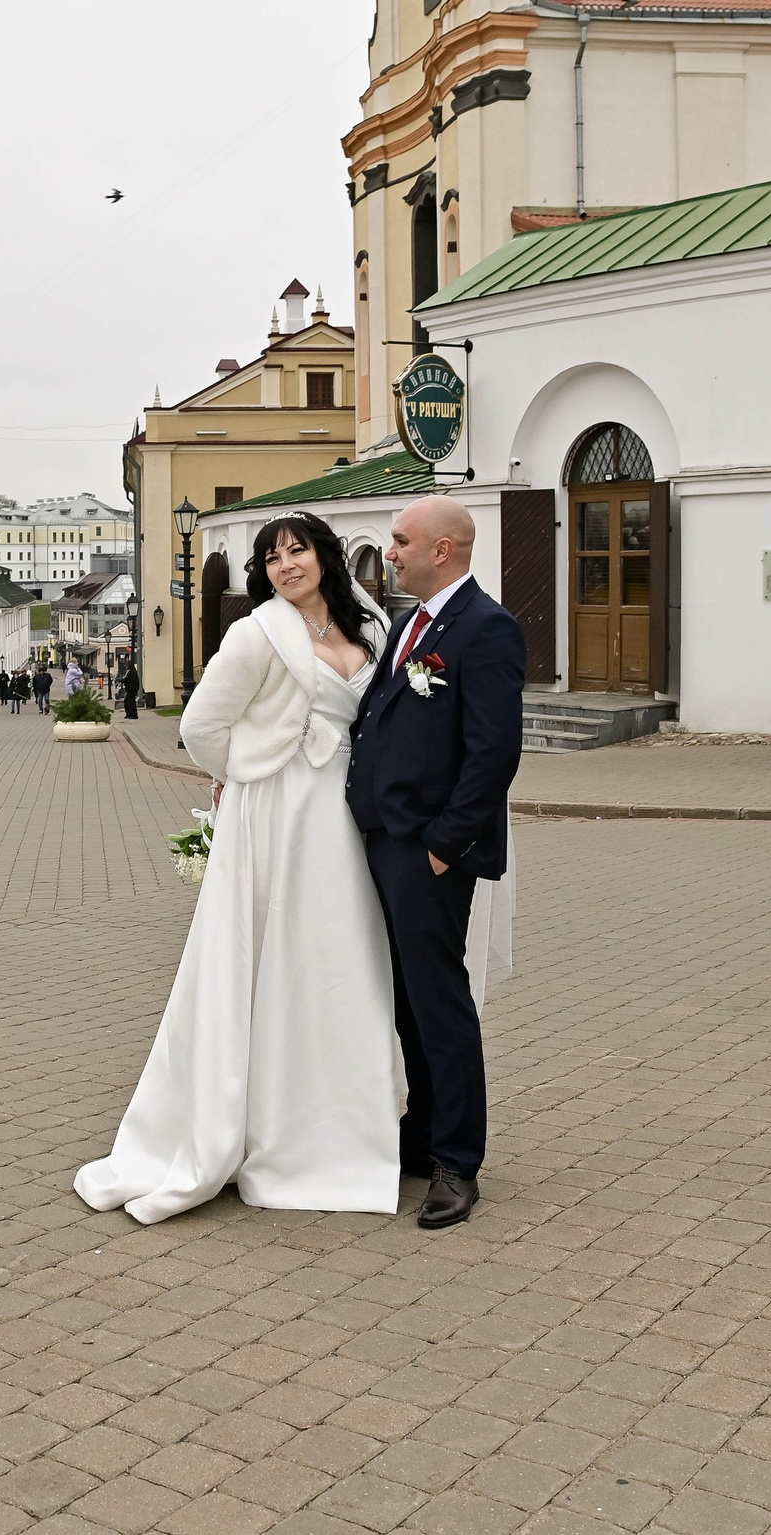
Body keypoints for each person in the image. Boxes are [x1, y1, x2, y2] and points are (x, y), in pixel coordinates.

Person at [77, 512, 402, 1222]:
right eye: (274, 556)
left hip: (346, 814)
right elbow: (200, 728)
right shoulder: (257, 633)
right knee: (272, 956)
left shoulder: (368, 628)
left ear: (325, 555)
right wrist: (249, 773)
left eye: (299, 549)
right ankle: (260, 1127)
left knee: (343, 957)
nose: (287, 564)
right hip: (280, 812)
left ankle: (345, 1122)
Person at [345, 494, 524, 1229]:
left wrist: (444, 849)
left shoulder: (485, 629)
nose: (391, 553)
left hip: (428, 851)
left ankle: (457, 1161)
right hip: (384, 840)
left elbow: (493, 753)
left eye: (401, 541)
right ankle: (419, 1136)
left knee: (440, 1003)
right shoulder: (408, 626)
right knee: (407, 1003)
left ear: (442, 550)